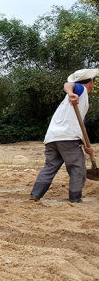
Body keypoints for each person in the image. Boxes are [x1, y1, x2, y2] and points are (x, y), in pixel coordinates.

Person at [30, 69, 96, 203]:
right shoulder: (80, 91)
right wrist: (72, 93)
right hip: (68, 139)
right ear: (91, 82)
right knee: (78, 168)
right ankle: (75, 198)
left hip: (52, 138)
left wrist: (86, 146)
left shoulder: (75, 103)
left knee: (50, 167)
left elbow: (80, 126)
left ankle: (35, 195)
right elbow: (68, 84)